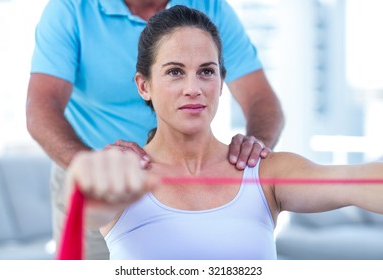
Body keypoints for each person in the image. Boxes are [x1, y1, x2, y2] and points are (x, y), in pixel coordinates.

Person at [63, 5, 383, 260]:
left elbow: (357, 182)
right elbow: (84, 209)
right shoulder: (122, 175)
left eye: (206, 72)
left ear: (221, 81)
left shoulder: (264, 172)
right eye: (175, 72)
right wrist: (92, 179)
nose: (194, 89)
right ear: (144, 85)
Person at [26, 0, 284, 259]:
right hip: (89, 170)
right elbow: (41, 109)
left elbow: (261, 99)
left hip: (179, 181)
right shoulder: (70, 9)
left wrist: (254, 153)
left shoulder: (211, 8)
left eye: (205, 72)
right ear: (142, 85)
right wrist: (97, 170)